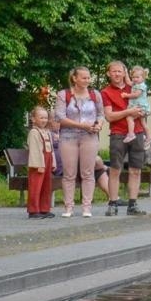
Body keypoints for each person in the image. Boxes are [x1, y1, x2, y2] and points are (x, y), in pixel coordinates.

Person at [100, 60, 148, 216]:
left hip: (138, 132)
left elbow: (143, 107)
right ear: (108, 73)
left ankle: (133, 204)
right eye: (113, 71)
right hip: (118, 134)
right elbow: (109, 116)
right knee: (115, 170)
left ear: (124, 72)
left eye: (119, 71)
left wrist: (141, 112)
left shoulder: (134, 85)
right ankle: (113, 203)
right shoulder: (105, 92)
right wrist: (129, 112)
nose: (116, 74)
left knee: (136, 170)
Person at [55, 66, 104, 217]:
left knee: (87, 172)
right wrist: (81, 125)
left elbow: (101, 114)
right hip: (68, 137)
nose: (87, 80)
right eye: (83, 77)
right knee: (69, 173)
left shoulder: (95, 94)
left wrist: (99, 125)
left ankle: (86, 208)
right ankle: (68, 207)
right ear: (74, 78)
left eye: (88, 78)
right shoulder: (64, 94)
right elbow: (60, 117)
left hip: (89, 137)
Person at [25, 107, 56, 218]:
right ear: (33, 119)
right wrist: (39, 164)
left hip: (47, 161)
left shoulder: (47, 132)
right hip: (38, 163)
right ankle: (33, 210)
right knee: (36, 186)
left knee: (46, 185)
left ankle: (44, 208)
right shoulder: (34, 132)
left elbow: (51, 148)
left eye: (46, 118)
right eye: (41, 117)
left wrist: (53, 162)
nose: (44, 120)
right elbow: (35, 150)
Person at [124, 65, 151, 144]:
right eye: (133, 77)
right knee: (143, 123)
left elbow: (136, 95)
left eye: (137, 77)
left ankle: (131, 134)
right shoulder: (135, 84)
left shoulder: (141, 86)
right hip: (140, 106)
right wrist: (126, 73)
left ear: (143, 78)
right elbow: (128, 82)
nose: (135, 79)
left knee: (129, 118)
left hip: (140, 107)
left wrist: (126, 95)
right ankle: (149, 137)